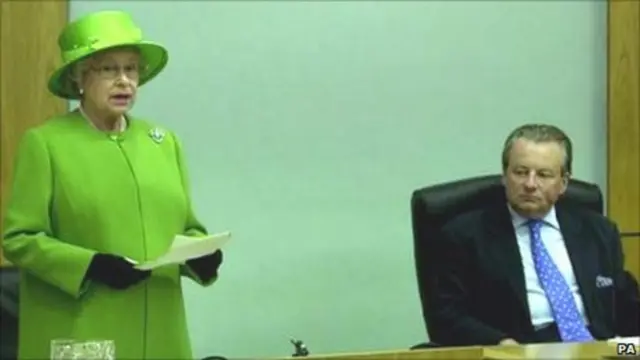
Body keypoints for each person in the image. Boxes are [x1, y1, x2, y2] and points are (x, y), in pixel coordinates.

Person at [1, 10, 223, 359]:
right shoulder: (46, 144)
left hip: (162, 333)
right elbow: (20, 239)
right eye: (109, 69)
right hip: (86, 330)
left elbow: (187, 226)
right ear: (79, 77)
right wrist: (90, 265)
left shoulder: (164, 143)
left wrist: (200, 255)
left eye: (131, 69)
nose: (124, 81)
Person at [429, 123, 640, 346]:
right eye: (520, 172)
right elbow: (446, 315)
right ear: (504, 176)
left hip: (601, 350)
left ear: (563, 183)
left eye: (543, 175)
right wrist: (500, 343)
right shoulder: (465, 235)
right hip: (524, 351)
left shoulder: (599, 232)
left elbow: (626, 303)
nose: (530, 184)